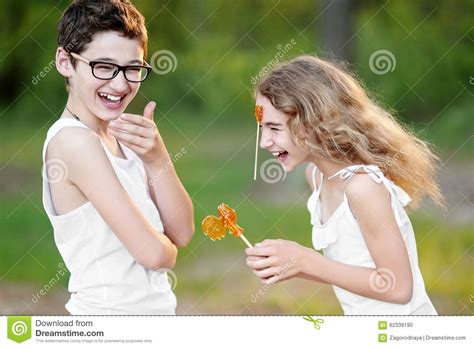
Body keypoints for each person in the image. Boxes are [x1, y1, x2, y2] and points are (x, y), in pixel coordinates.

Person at [246, 55, 443, 315]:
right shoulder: (316, 177)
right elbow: (350, 269)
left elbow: (397, 288)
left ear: (311, 123)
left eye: (274, 128)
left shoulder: (363, 189)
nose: (264, 142)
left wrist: (306, 259)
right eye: (262, 129)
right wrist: (292, 265)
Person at [41, 0, 194, 314]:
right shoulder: (73, 141)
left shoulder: (122, 137)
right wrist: (168, 251)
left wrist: (156, 158)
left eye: (133, 68)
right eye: (104, 67)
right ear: (64, 62)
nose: (121, 83)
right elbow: (153, 254)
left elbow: (183, 231)